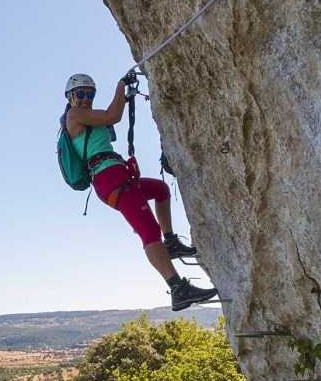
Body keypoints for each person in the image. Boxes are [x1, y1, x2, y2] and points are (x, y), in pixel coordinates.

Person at [61, 72, 218, 311]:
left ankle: (172, 242)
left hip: (115, 174)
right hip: (109, 177)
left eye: (90, 94)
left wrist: (124, 94)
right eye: (80, 94)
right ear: (71, 97)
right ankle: (177, 288)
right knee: (148, 229)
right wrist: (120, 85)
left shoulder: (87, 116)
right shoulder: (74, 115)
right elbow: (113, 116)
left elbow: (111, 116)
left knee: (160, 189)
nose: (85, 98)